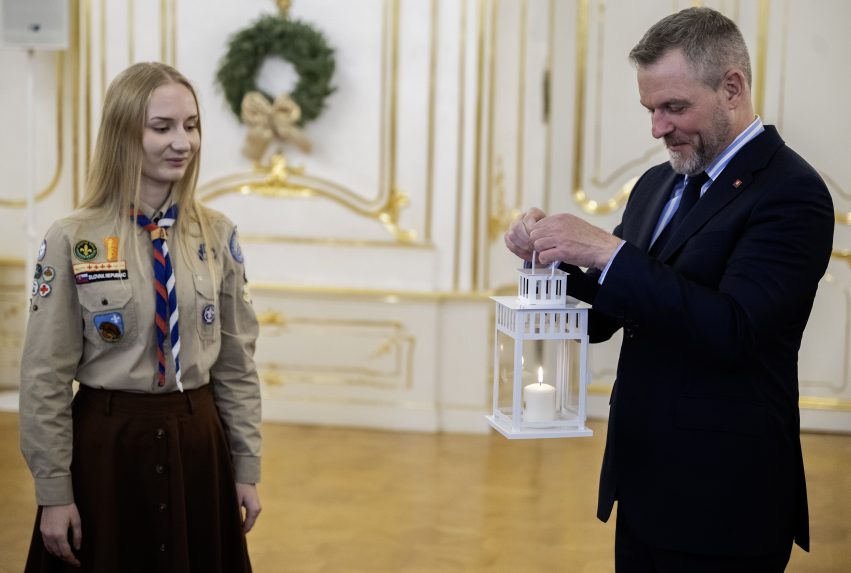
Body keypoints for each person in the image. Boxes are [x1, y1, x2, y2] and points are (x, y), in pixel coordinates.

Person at [505, 7, 833, 572]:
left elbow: (735, 331)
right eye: (651, 109)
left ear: (732, 88)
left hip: (726, 499)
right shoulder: (659, 182)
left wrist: (606, 251)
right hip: (643, 484)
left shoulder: (792, 193)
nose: (658, 127)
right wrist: (550, 258)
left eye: (674, 107)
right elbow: (611, 312)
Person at [19, 62, 262, 572]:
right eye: (163, 127)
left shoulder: (217, 236)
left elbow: (237, 365)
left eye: (191, 125)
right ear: (124, 133)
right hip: (107, 450)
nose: (183, 142)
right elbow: (44, 377)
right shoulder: (71, 239)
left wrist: (246, 466)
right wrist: (54, 491)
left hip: (198, 445)